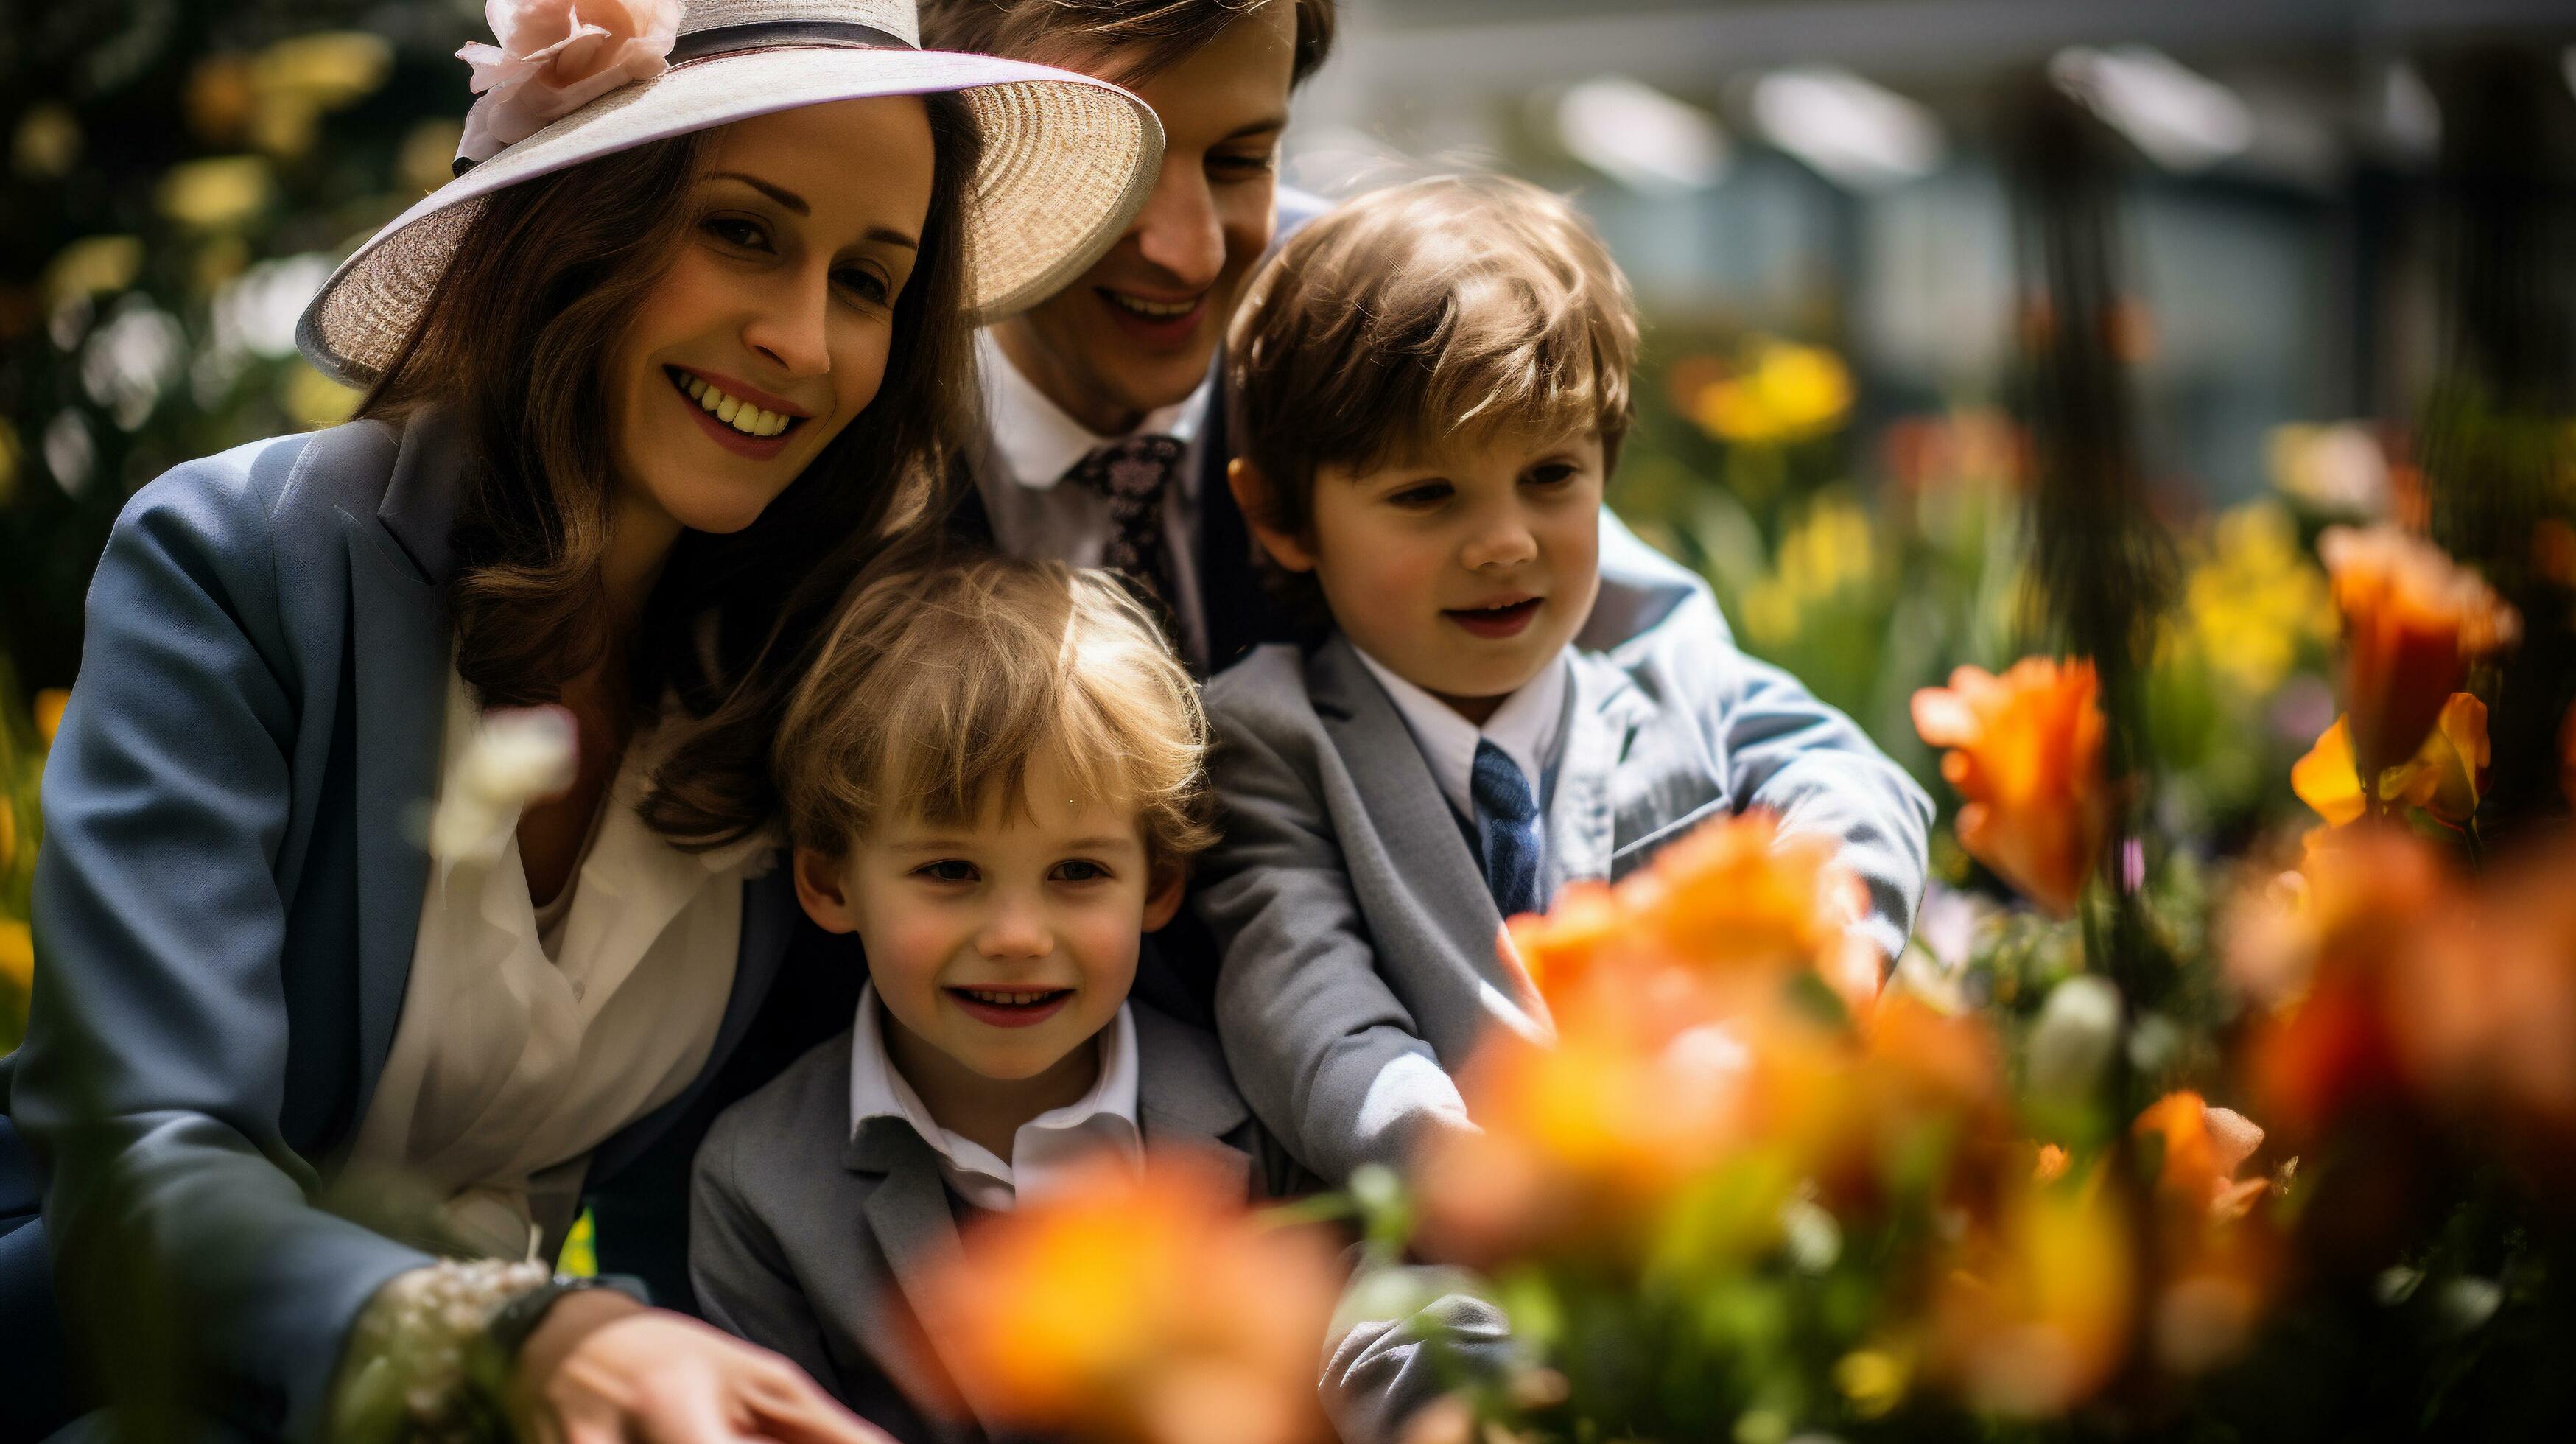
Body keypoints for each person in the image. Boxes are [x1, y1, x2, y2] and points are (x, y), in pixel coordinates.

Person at [0, 1, 1163, 1437]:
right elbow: (135, 1161)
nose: (802, 340)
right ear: (579, 222)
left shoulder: (798, 673)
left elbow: (732, 1197)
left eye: (867, 281)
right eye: (743, 231)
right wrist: (529, 1335)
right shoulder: (240, 566)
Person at [1197, 176, 1937, 1186]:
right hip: (1459, 1266)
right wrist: (1524, 1192)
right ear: (1281, 519)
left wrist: (1798, 992)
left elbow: (1856, 791)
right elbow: (1318, 1028)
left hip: (1727, 1206)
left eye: (1551, 477)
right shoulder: (1270, 745)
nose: (1504, 544)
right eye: (1426, 496)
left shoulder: (1674, 683)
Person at [689, 551, 1492, 1443]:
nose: (1018, 936)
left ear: (1157, 885)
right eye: (949, 871)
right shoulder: (756, 1178)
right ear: (829, 882)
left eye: (1077, 871)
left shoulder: (1254, 1121)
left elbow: (1373, 1314)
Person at [919, 0, 1710, 679]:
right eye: (1118, 170)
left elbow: (1672, 654)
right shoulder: (868, 381)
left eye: (1242, 161)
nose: (1191, 254)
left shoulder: (1348, 312)